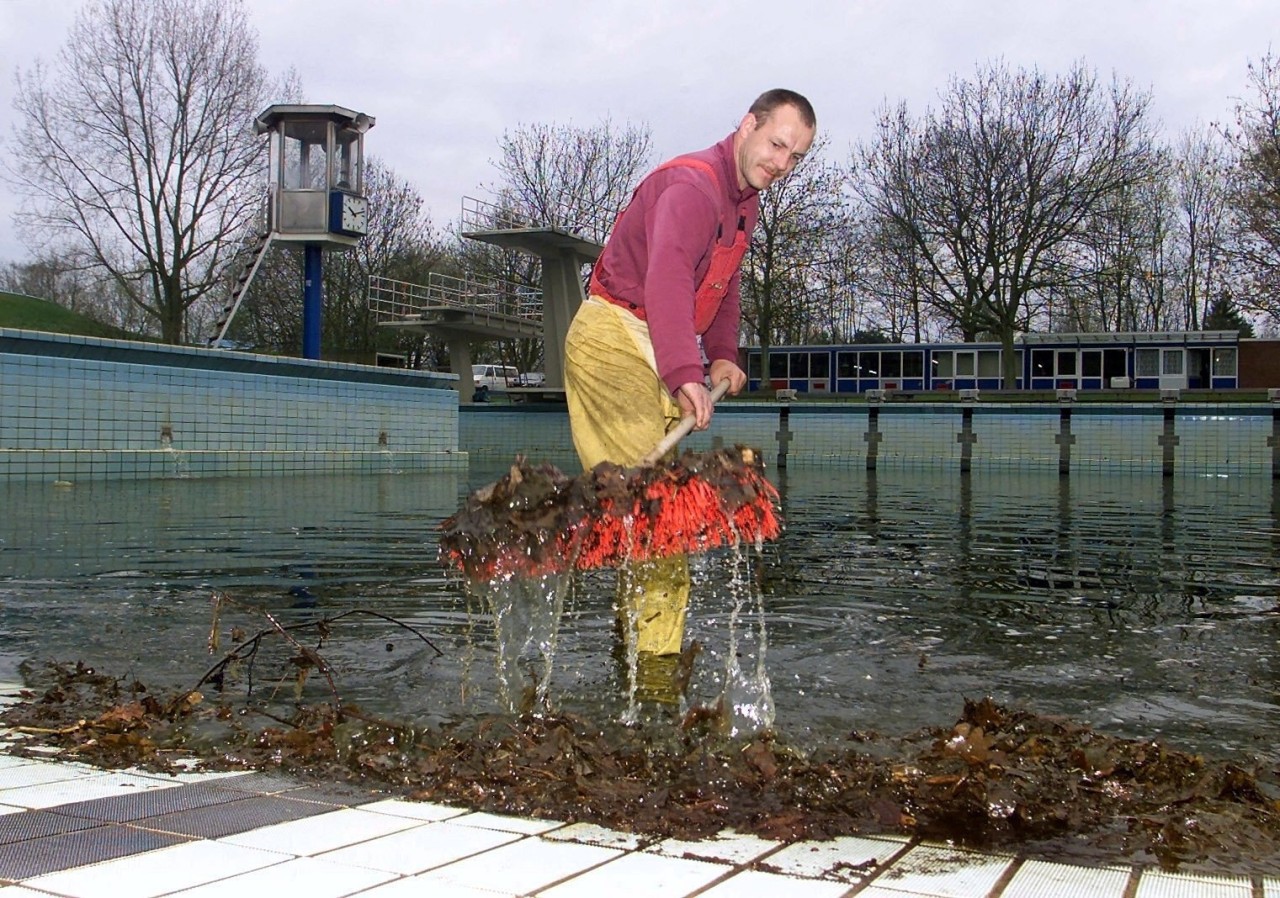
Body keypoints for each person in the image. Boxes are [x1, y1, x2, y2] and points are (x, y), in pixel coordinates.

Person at [563, 88, 817, 701]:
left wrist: (724, 354)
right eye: (777, 144)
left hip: (657, 340)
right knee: (659, 520)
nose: (782, 162)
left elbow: (720, 286)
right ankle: (653, 691)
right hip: (613, 338)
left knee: (643, 518)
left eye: (796, 156)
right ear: (747, 125)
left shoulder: (744, 203)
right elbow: (669, 277)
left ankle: (632, 655)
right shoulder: (692, 188)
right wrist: (686, 370)